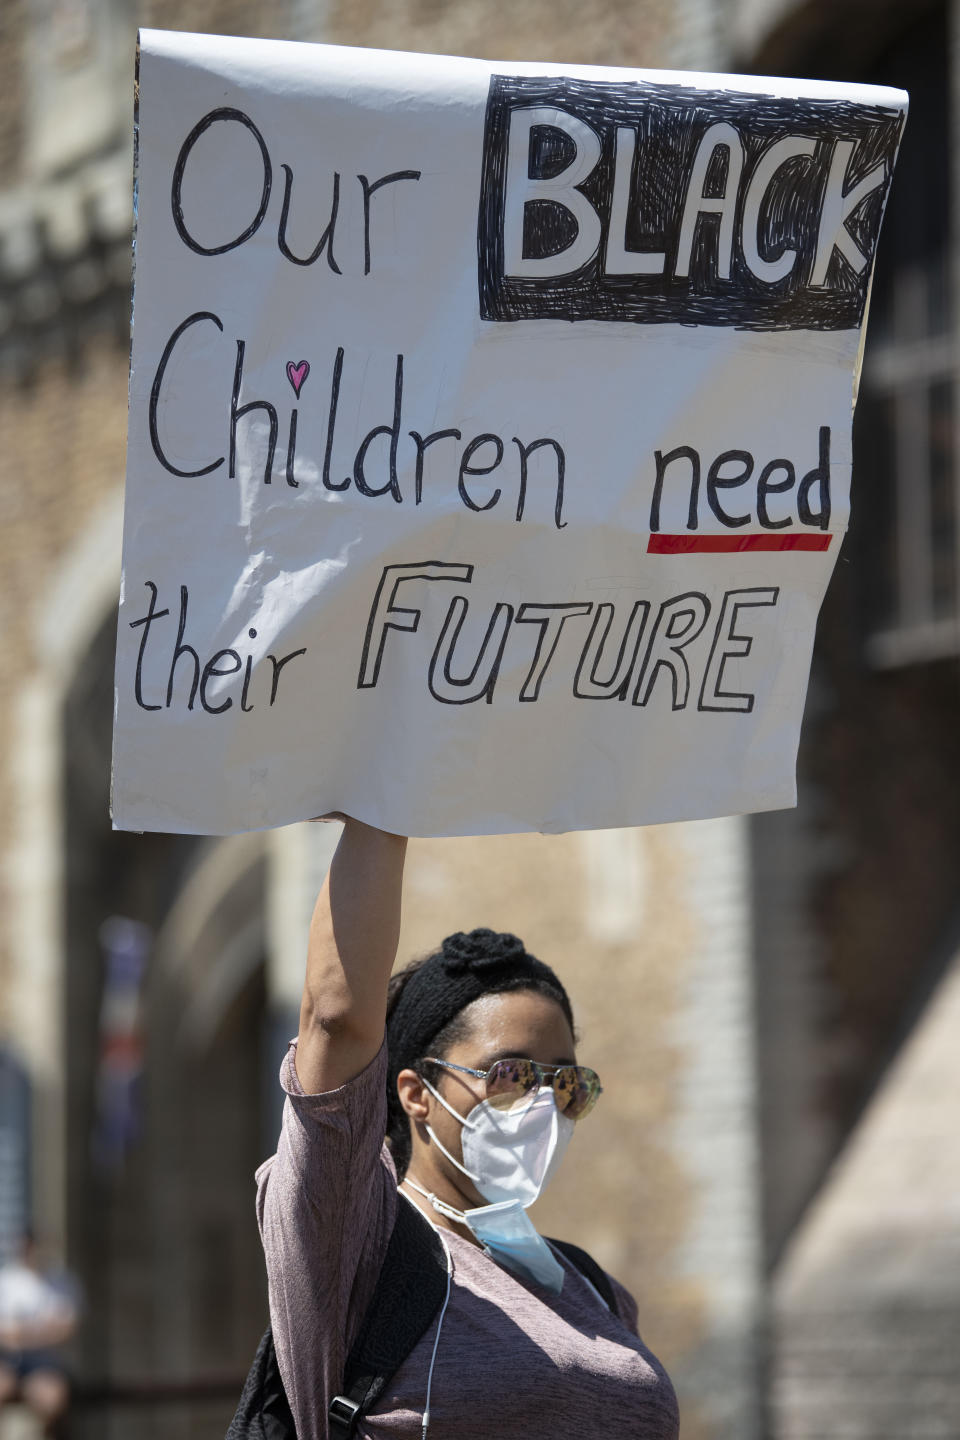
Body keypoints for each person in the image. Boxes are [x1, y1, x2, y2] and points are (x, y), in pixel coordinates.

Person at [255, 817, 679, 1439]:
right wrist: (387, 804)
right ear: (417, 1094)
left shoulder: (593, 1289)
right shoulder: (357, 1245)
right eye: (508, 1073)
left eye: (566, 1082)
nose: (543, 1103)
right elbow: (336, 1019)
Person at [0, 1231, 80, 1439]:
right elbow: (5, 1336)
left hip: (44, 1361)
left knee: (52, 1399)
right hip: (8, 1358)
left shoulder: (61, 1281)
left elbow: (65, 1330)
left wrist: (22, 1333)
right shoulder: (6, 1280)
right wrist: (41, 1330)